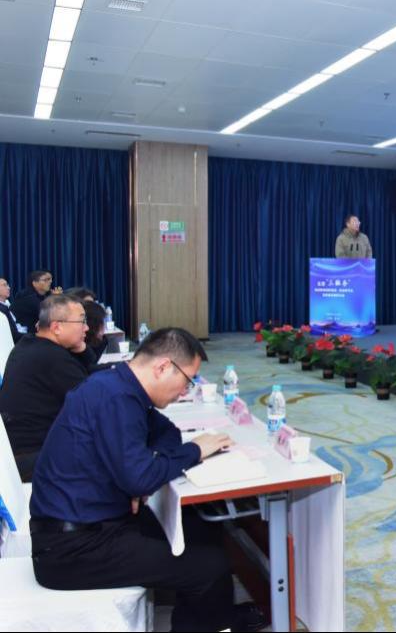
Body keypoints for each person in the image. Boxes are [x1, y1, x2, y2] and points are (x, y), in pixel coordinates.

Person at [29, 327, 266, 632]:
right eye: (188, 380)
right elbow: (140, 479)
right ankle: (212, 620)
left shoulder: (121, 386)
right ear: (164, 367)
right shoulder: (115, 397)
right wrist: (193, 451)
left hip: (95, 521)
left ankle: (210, 619)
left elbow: (167, 433)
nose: (185, 391)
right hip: (73, 548)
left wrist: (144, 471)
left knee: (199, 524)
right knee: (210, 567)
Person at [0, 295, 92, 480]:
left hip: (20, 453)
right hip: (33, 457)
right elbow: (93, 399)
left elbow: (85, 375)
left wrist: (81, 349)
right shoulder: (51, 357)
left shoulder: (29, 344)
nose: (86, 328)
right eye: (82, 321)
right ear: (56, 327)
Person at [10, 269, 62, 335]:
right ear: (34, 283)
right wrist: (55, 299)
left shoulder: (47, 295)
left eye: (51, 279)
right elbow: (47, 314)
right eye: (46, 280)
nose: (50, 282)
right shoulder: (26, 296)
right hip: (24, 334)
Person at [0, 276, 24, 342]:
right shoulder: (2, 309)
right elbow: (13, 335)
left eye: (7, 285)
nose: (9, 288)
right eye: (4, 285)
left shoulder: (7, 304)